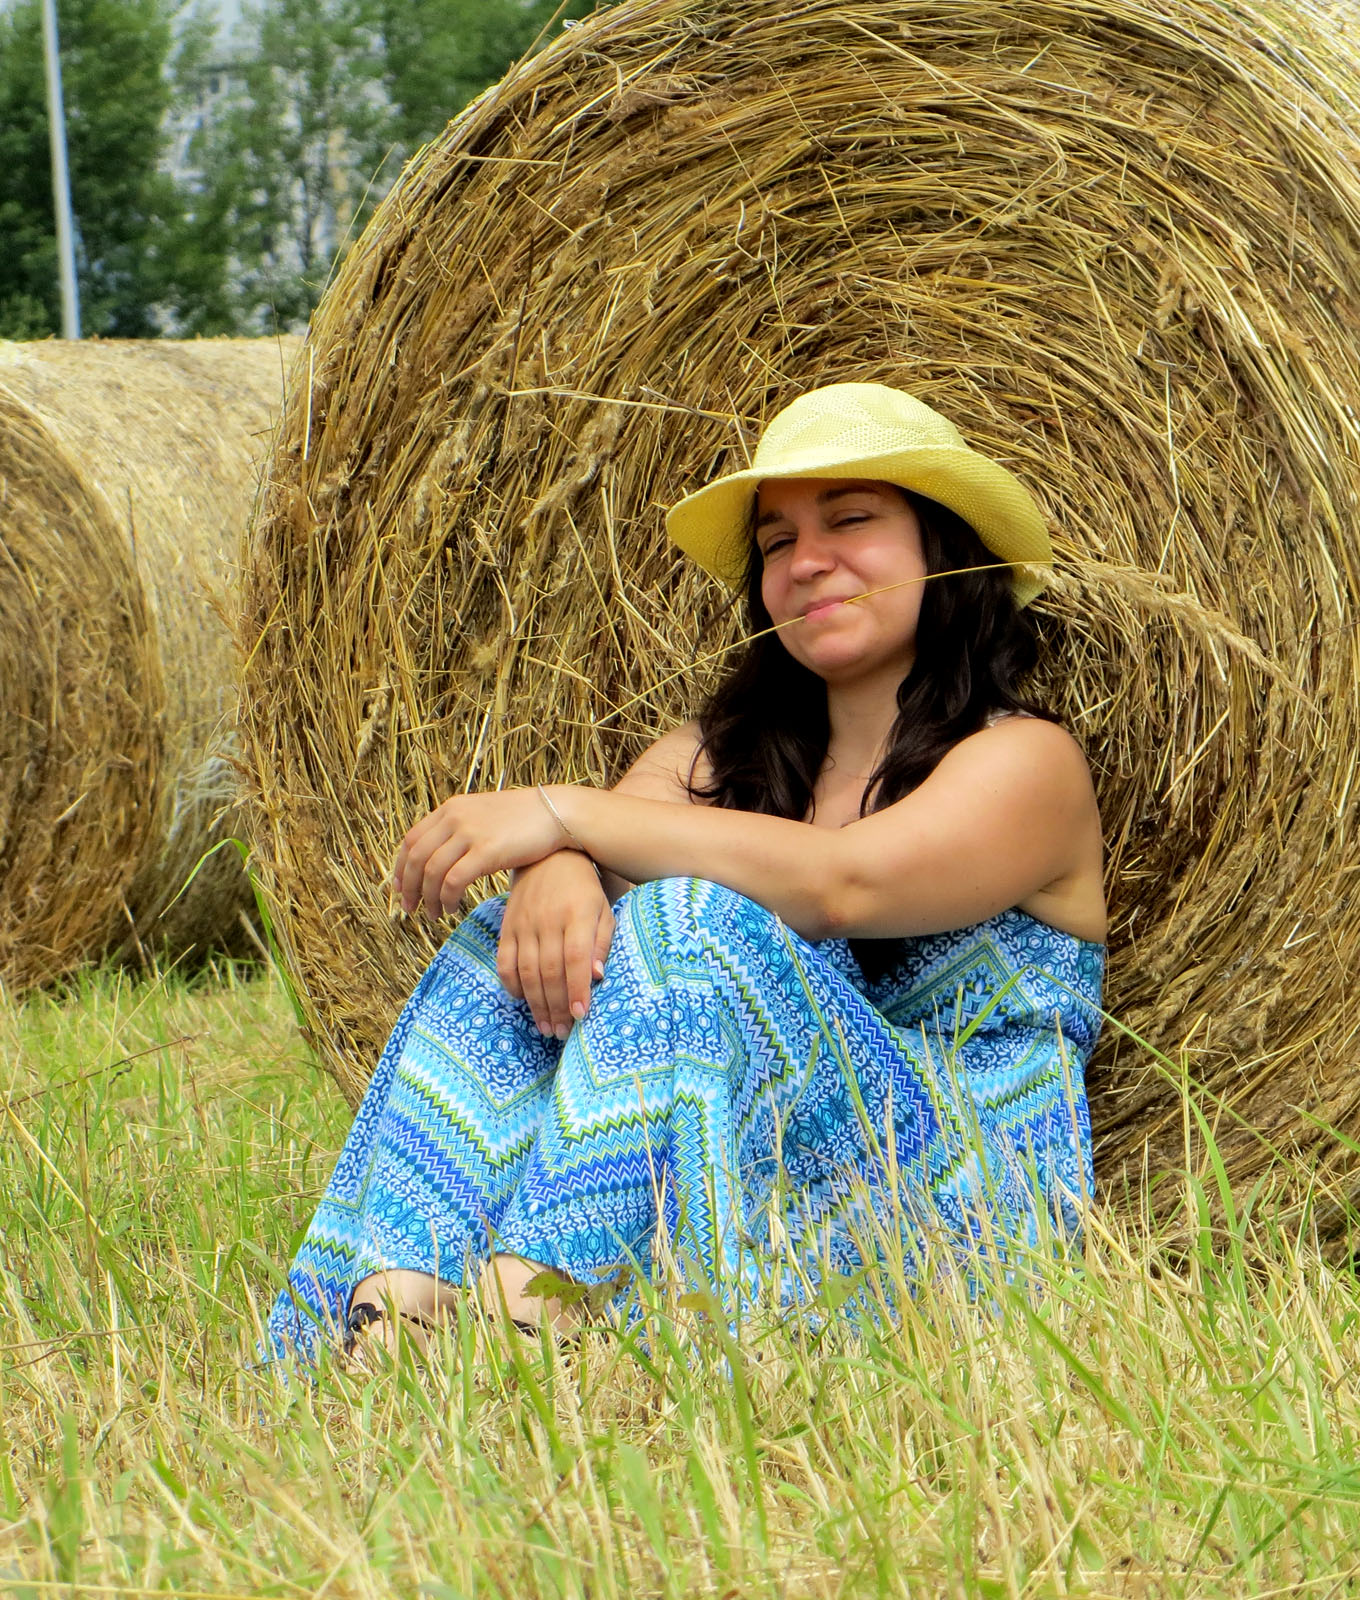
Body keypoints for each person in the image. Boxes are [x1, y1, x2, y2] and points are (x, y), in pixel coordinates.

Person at [265, 381, 1106, 1364]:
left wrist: (565, 816)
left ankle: (529, 1311)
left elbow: (844, 885)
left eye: (852, 520)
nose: (808, 561)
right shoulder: (714, 757)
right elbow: (602, 869)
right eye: (778, 541)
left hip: (955, 1202)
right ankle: (397, 1307)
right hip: (754, 1174)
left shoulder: (1023, 760)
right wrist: (564, 867)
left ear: (944, 548)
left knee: (689, 917)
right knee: (503, 937)